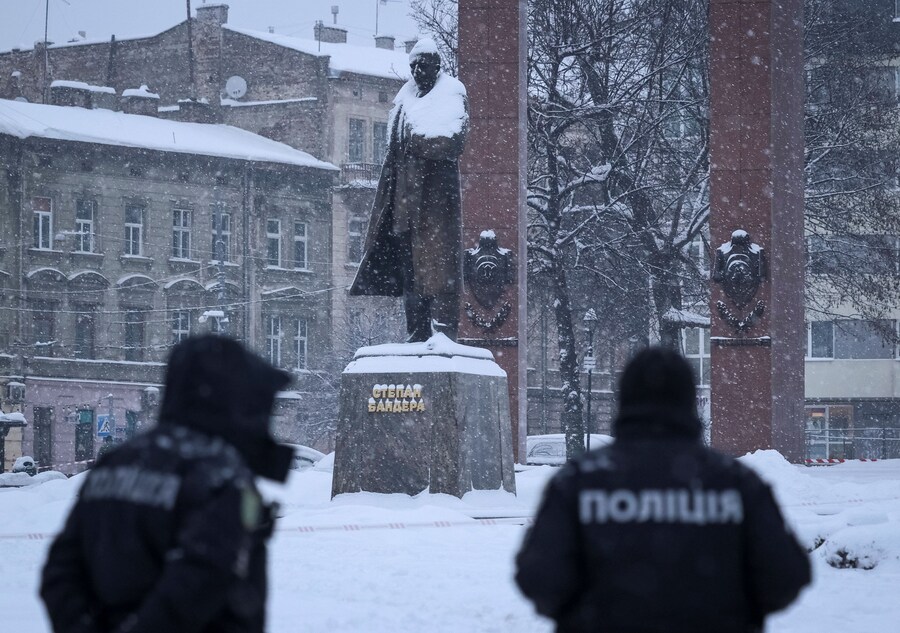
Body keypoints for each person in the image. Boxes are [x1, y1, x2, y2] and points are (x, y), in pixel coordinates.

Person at [516, 347, 811, 633]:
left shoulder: (580, 482)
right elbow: (784, 577)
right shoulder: (734, 482)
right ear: (688, 401)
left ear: (626, 400)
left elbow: (539, 578)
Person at [40, 335, 295, 633]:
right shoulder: (218, 475)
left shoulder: (116, 462)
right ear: (233, 397)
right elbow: (200, 579)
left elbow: (60, 570)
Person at [349, 38, 469, 342]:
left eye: (423, 65)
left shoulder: (451, 93)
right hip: (402, 209)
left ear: (436, 66)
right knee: (412, 279)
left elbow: (452, 140)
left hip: (434, 210)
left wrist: (415, 141)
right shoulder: (404, 98)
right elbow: (393, 153)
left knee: (439, 278)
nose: (417, 70)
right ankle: (415, 334)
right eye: (413, 65)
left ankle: (442, 335)